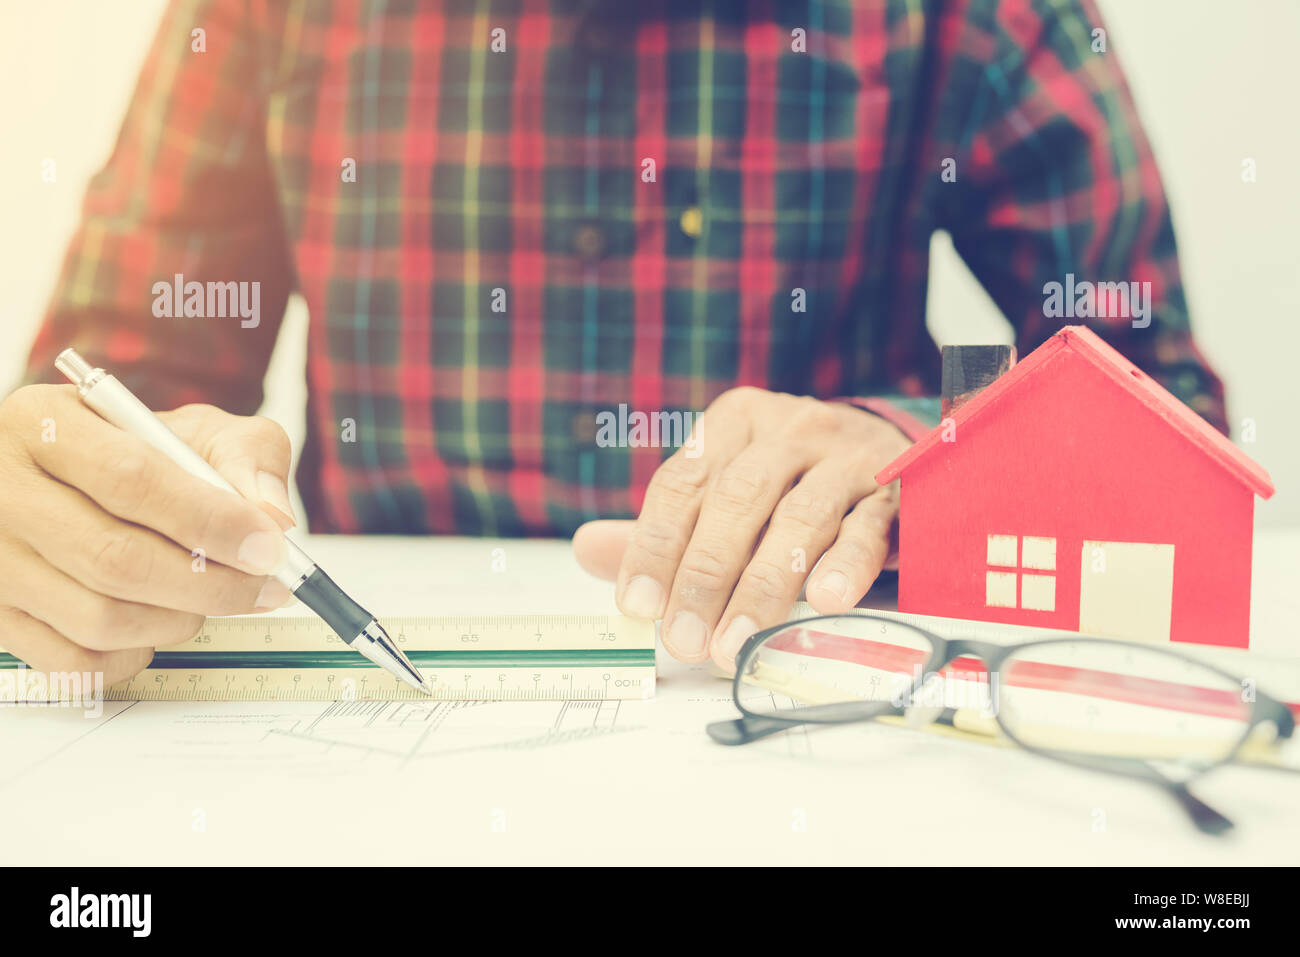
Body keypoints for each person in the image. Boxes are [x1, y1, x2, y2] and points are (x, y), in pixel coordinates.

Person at [3, 0, 1227, 684]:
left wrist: (907, 459)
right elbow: (114, 395)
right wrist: (102, 497)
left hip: (814, 683)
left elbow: (1161, 429)